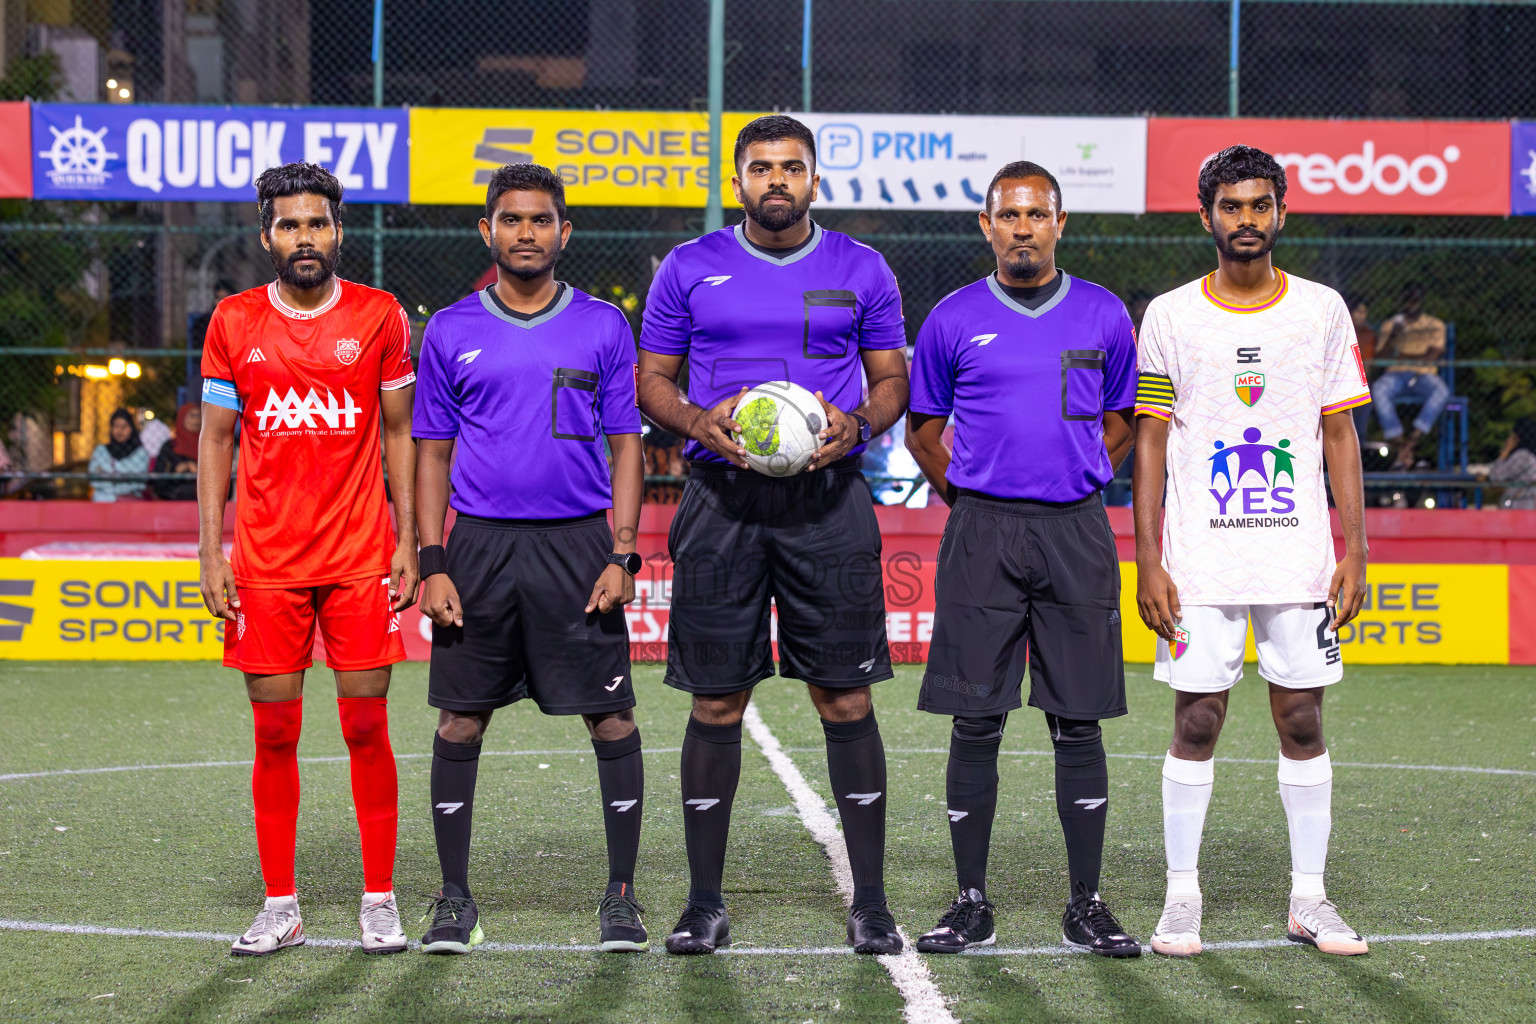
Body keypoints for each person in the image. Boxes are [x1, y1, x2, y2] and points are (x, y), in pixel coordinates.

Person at [637, 115, 910, 956]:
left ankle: (870, 902)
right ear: (739, 182)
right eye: (761, 168)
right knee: (717, 700)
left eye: (793, 167)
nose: (777, 181)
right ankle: (704, 902)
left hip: (828, 500)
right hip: (719, 500)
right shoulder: (689, 269)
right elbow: (653, 381)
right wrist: (695, 422)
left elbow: (892, 380)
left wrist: (857, 424)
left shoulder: (862, 269)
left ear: (816, 181)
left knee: (847, 697)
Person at [1133, 145, 1371, 959]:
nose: (1246, 220)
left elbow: (1340, 431)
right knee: (1196, 718)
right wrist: (1148, 556)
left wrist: (1355, 550)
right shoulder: (1168, 315)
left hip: (1298, 558)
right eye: (1231, 207)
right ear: (1207, 217)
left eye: (1258, 205)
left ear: (1279, 213)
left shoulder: (1322, 310)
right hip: (1198, 560)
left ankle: (1310, 899)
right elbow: (1151, 437)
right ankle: (1180, 900)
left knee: (1301, 717)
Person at [904, 161, 1141, 957]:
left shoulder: (1106, 314)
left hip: (1076, 530)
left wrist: (1079, 474)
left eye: (1037, 214)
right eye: (1008, 215)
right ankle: (971, 900)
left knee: (1078, 722)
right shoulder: (951, 318)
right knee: (977, 719)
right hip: (983, 535)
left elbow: (1122, 422)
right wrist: (971, 498)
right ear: (987, 225)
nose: (1022, 227)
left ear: (1060, 223)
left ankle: (1088, 904)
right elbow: (922, 432)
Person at [413, 164, 648, 955]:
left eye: (540, 220)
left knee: (611, 715)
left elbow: (626, 447)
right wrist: (432, 559)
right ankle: (453, 899)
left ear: (563, 233)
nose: (525, 233)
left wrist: (623, 553)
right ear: (488, 231)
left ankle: (620, 896)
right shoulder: (448, 328)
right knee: (461, 718)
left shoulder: (604, 325)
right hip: (477, 547)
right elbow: (431, 455)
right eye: (510, 220)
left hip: (580, 544)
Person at [196, 162, 419, 957]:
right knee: (275, 733)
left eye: (317, 223)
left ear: (338, 231)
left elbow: (399, 433)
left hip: (359, 555)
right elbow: (216, 441)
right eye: (289, 225)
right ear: (266, 237)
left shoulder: (380, 315)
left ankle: (380, 898)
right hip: (264, 562)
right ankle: (281, 903)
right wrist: (210, 549)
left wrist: (408, 539)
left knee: (366, 721)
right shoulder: (232, 322)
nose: (304, 238)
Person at [1371, 284, 1448, 470]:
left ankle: (1412, 441)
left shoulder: (1434, 325)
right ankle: (1400, 441)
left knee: (1441, 390)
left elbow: (1434, 354)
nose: (1410, 305)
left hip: (1423, 375)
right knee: (1378, 389)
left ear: (1420, 302)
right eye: (1407, 301)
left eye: (1414, 301)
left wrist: (1405, 356)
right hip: (1396, 374)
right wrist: (1393, 337)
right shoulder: (1391, 324)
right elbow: (1380, 357)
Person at [88, 408, 149, 502]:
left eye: (124, 427)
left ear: (131, 428)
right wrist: (126, 473)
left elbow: (139, 483)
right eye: (116, 426)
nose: (119, 431)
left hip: (130, 501)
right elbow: (94, 478)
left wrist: (107, 472)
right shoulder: (101, 451)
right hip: (103, 500)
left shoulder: (140, 453)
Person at [151, 403, 200, 500]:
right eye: (192, 416)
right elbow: (158, 483)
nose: (197, 420)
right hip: (172, 501)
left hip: (202, 502)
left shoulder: (207, 446)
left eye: (200, 416)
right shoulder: (170, 447)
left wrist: (200, 473)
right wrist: (175, 471)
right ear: (182, 418)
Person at [1488, 418, 1536, 509]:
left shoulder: (1523, 456)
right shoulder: (1531, 455)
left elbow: (1496, 476)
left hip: (1521, 505)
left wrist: (1505, 452)